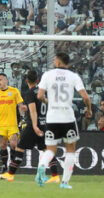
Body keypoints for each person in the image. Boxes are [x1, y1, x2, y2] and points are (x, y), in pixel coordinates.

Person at [35, 53, 93, 189]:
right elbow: (85, 97)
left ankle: (42, 165)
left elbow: (39, 95)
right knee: (70, 149)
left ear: (58, 62)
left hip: (52, 118)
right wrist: (89, 109)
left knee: (51, 149)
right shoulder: (73, 76)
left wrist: (47, 101)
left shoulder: (47, 75)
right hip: (67, 117)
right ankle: (65, 182)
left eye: (55, 60)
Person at [0, 69, 60, 183]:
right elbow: (45, 104)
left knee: (20, 148)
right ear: (38, 80)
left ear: (26, 80)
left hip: (33, 126)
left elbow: (33, 111)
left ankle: (10, 174)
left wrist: (35, 126)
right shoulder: (42, 92)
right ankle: (55, 175)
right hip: (44, 125)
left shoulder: (29, 93)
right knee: (47, 150)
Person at [0, 73, 25, 174]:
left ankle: (12, 166)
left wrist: (23, 118)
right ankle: (4, 167)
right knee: (3, 145)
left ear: (6, 80)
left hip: (13, 125)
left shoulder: (14, 91)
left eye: (0, 80)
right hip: (1, 125)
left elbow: (20, 106)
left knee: (13, 144)